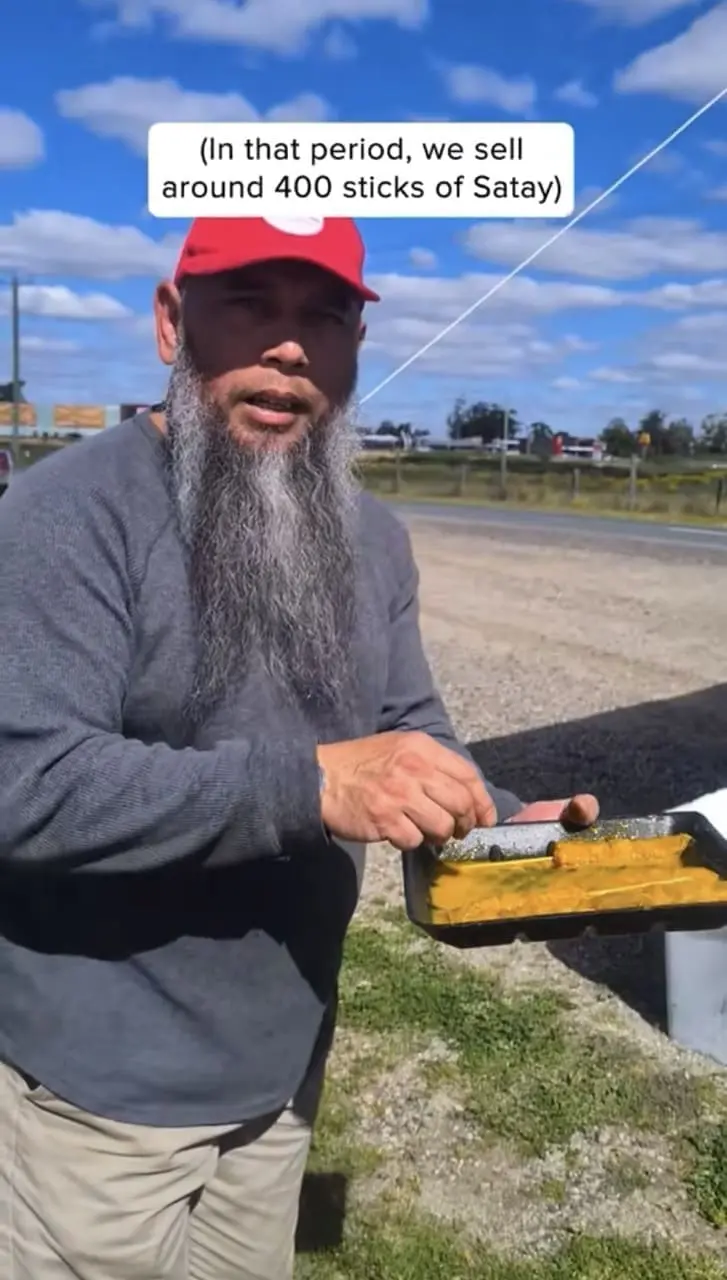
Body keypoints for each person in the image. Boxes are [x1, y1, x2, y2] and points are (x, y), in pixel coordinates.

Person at [0, 215, 598, 1279]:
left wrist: (498, 816)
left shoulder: (370, 534)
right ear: (172, 322)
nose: (289, 347)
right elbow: (26, 782)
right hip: (98, 1093)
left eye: (323, 317)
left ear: (355, 349)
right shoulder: (65, 514)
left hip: (280, 1063)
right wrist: (307, 782)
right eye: (250, 306)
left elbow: (407, 724)